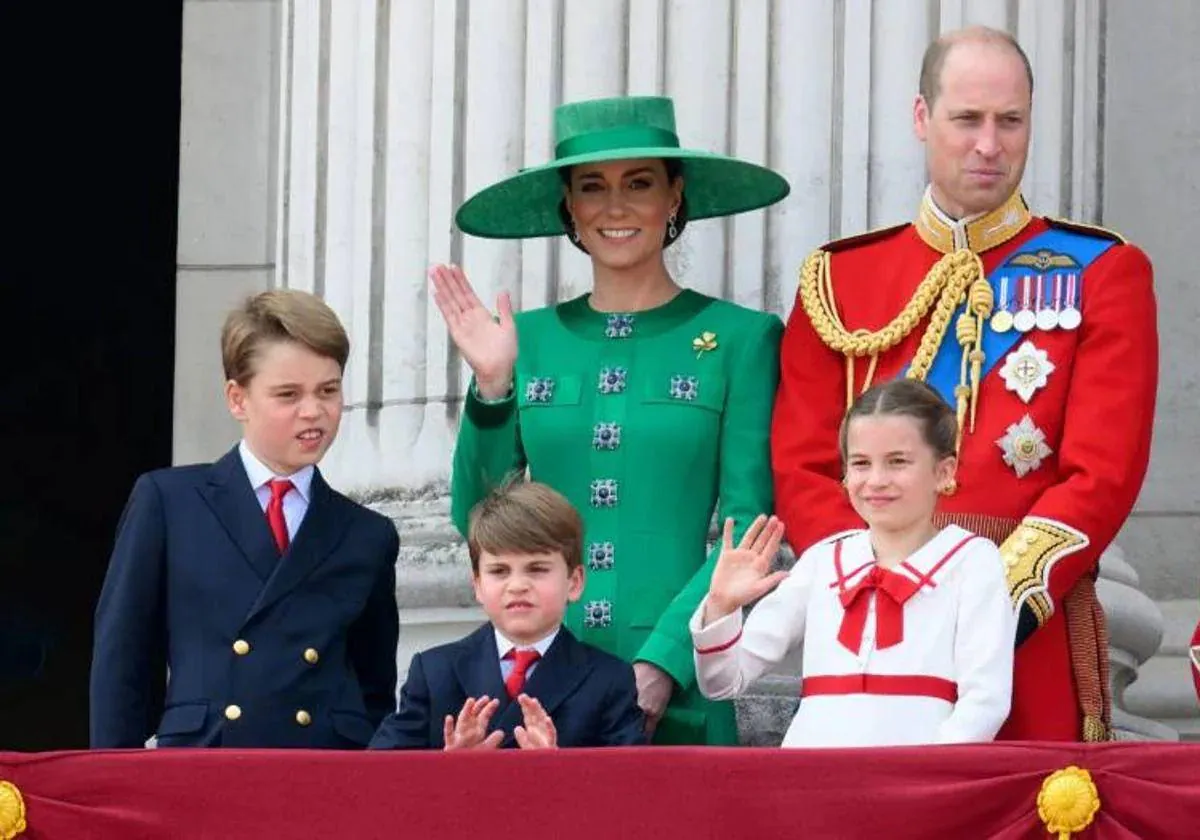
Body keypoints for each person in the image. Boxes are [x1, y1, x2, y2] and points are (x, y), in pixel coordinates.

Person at [771, 26, 1158, 742]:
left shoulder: (1103, 271)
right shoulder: (839, 280)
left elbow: (1101, 474)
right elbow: (803, 467)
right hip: (871, 637)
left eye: (1009, 121)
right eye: (967, 120)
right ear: (922, 118)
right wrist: (879, 591)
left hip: (1020, 634)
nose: (989, 144)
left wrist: (975, 601)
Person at [435, 95, 790, 744]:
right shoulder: (526, 338)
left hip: (678, 686)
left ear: (675, 197)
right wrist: (491, 387)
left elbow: (748, 527)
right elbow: (478, 519)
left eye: (640, 184)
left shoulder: (741, 339)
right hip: (541, 680)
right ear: (569, 206)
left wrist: (662, 663)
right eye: (592, 187)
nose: (616, 207)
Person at [90, 290, 400, 749]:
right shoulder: (169, 502)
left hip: (322, 773)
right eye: (288, 395)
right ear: (238, 398)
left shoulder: (367, 534)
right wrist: (113, 791)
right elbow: (123, 664)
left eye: (328, 390)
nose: (313, 411)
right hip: (206, 763)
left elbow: (375, 691)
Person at [694, 380, 1015, 747]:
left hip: (916, 783)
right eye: (861, 464)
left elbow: (985, 702)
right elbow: (722, 682)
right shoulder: (823, 560)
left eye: (898, 462)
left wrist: (926, 781)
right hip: (810, 780)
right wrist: (721, 606)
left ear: (944, 471)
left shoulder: (972, 560)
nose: (876, 481)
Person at [369, 480, 645, 749]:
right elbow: (379, 776)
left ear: (574, 582)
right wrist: (449, 768)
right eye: (499, 571)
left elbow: (630, 785)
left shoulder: (609, 680)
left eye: (537, 569)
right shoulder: (434, 673)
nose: (517, 586)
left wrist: (560, 771)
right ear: (477, 584)